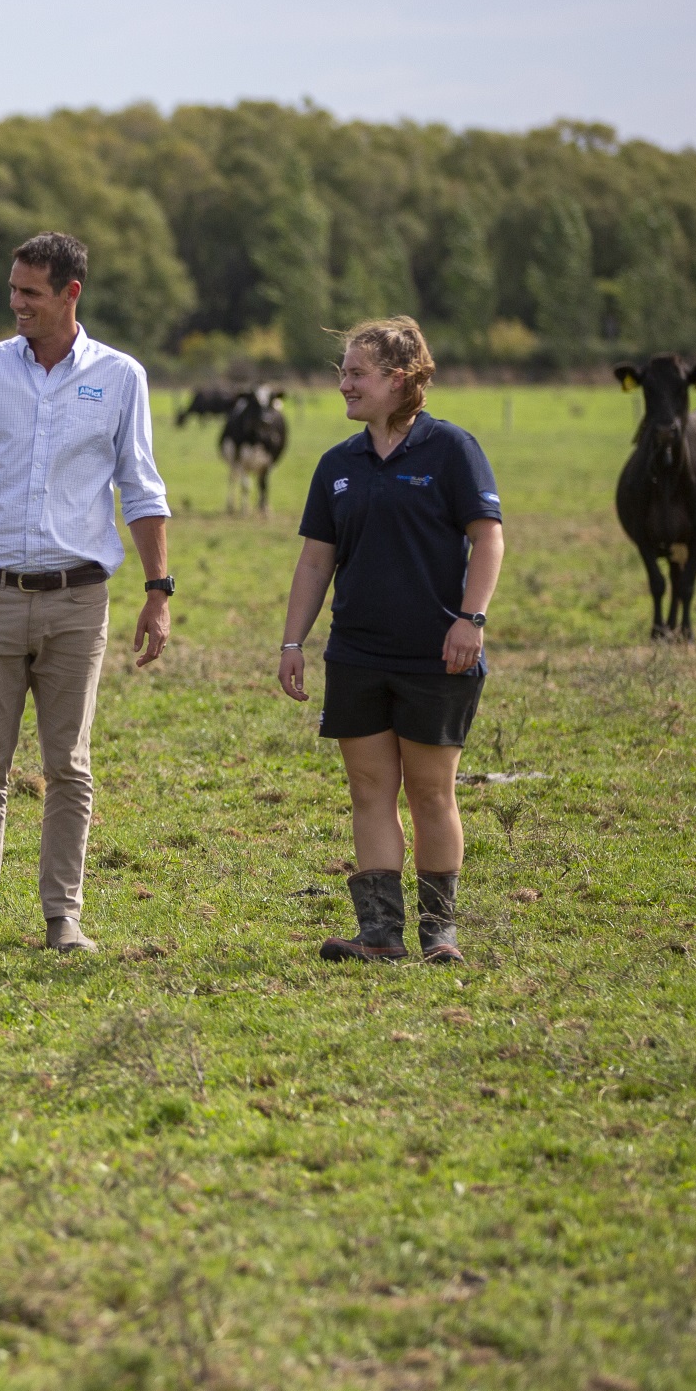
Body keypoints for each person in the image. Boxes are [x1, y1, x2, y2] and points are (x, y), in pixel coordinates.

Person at [0, 232, 172, 952]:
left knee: (69, 766)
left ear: (71, 293)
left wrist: (158, 592)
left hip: (78, 601)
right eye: (12, 289)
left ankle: (64, 917)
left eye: (30, 292)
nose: (15, 304)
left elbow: (141, 487)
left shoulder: (122, 377)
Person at [275, 318, 505, 964]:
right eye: (341, 372)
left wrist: (472, 619)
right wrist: (293, 643)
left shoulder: (451, 450)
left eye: (356, 373)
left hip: (439, 653)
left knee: (432, 790)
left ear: (398, 380)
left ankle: (440, 933)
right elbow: (316, 562)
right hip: (357, 655)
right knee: (369, 790)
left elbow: (487, 537)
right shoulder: (337, 465)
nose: (343, 385)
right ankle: (380, 934)